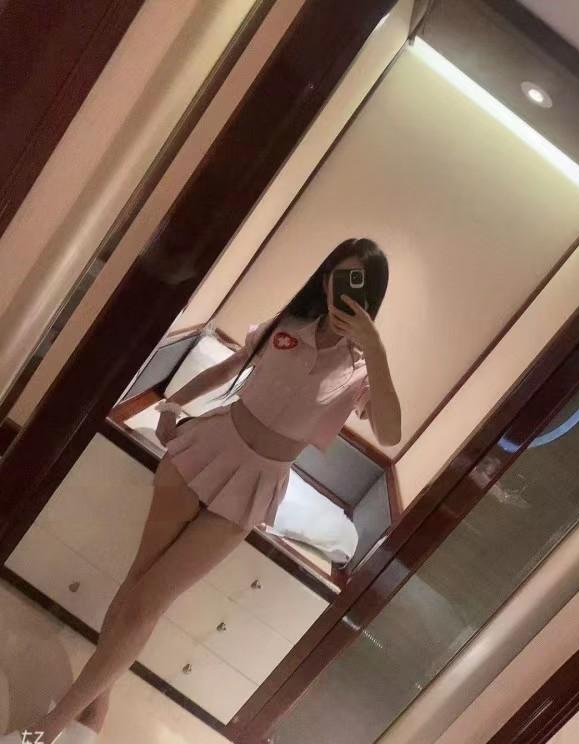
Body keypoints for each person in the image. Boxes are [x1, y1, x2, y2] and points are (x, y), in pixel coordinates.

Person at [1, 238, 402, 744]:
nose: (343, 291)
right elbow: (230, 367)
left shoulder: (361, 368)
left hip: (257, 482)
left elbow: (390, 431)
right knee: (138, 587)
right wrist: (172, 405)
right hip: (207, 445)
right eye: (338, 276)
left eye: (359, 285)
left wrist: (377, 350)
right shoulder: (289, 325)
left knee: (149, 600)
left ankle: (53, 724)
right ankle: (85, 709)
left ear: (372, 297)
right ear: (324, 278)